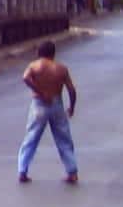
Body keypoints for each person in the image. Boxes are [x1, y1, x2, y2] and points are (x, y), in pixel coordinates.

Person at [17, 40, 78, 184]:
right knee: (64, 138)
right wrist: (72, 106)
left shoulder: (34, 66)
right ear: (53, 53)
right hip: (57, 104)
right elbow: (71, 89)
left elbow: (25, 78)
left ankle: (22, 171)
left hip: (39, 104)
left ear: (39, 53)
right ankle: (72, 172)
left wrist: (40, 92)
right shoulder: (61, 68)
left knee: (31, 138)